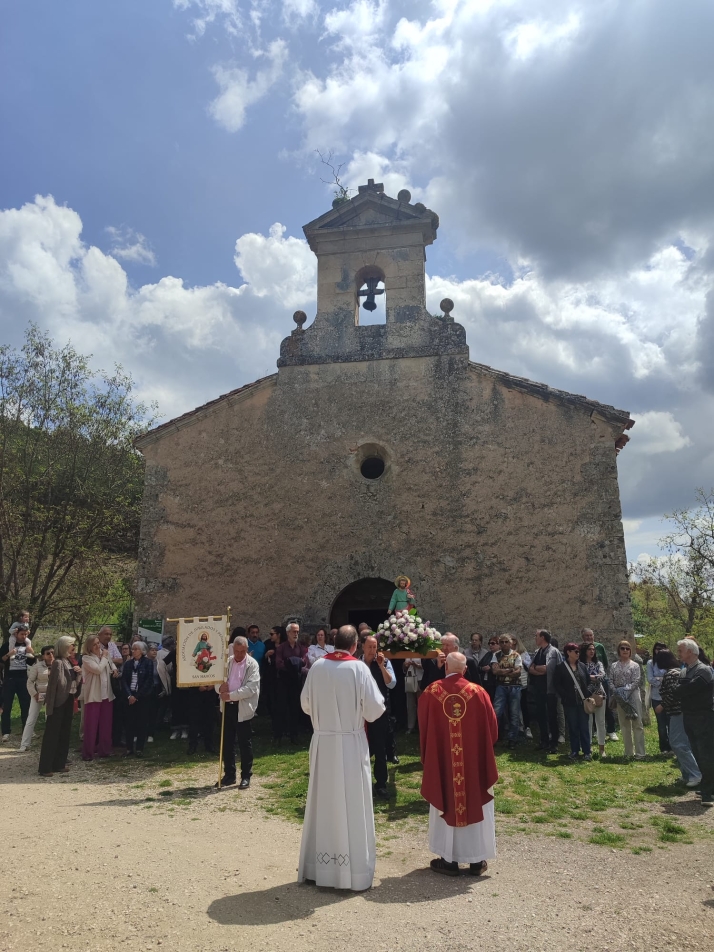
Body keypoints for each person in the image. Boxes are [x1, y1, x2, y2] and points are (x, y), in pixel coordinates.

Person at [298, 625, 386, 890]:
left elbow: (305, 705)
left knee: (324, 800)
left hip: (324, 743)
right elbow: (375, 710)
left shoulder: (316, 667)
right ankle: (353, 871)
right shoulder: (359, 669)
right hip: (349, 743)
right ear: (355, 645)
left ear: (334, 641)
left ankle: (319, 868)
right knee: (351, 801)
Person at [419, 652, 498, 876]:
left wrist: (433, 754)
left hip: (444, 762)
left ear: (446, 668)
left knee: (446, 795)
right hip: (474, 764)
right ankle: (476, 861)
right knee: (475, 798)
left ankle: (449, 860)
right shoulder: (479, 692)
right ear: (465, 670)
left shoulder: (431, 692)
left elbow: (423, 729)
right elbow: (492, 730)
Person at [673, 638, 714, 804]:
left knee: (706, 754)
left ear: (690, 652)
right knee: (697, 753)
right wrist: (684, 689)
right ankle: (709, 787)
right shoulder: (684, 671)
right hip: (688, 716)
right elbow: (677, 691)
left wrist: (683, 689)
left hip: (703, 716)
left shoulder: (704, 670)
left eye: (680, 650)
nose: (678, 653)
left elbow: (689, 688)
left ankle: (707, 793)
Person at [216, 636, 260, 789]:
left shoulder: (252, 665)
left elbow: (250, 688)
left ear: (247, 649)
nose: (239, 654)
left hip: (242, 707)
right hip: (226, 706)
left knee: (244, 743)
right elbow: (217, 681)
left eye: (243, 651)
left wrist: (231, 695)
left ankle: (246, 775)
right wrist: (219, 689)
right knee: (226, 742)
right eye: (237, 651)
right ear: (233, 649)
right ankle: (229, 774)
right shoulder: (227, 662)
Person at [655, 649, 701, 789]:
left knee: (677, 744)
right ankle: (686, 774)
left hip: (677, 712)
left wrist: (661, 706)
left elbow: (674, 693)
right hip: (682, 712)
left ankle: (695, 774)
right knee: (684, 744)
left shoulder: (671, 674)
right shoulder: (677, 671)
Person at [38, 636, 80, 777]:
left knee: (64, 732)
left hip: (69, 699)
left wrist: (79, 674)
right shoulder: (58, 663)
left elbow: (73, 682)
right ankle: (45, 767)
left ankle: (59, 764)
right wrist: (50, 706)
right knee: (52, 734)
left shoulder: (69, 661)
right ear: (64, 646)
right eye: (71, 644)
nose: (73, 647)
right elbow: (53, 686)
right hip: (58, 702)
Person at [361, 635, 397, 797]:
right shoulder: (356, 663)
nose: (372, 650)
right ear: (362, 647)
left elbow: (392, 683)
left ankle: (381, 784)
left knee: (380, 750)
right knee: (361, 749)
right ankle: (361, 782)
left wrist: (382, 666)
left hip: (379, 713)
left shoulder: (385, 662)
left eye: (374, 647)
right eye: (369, 647)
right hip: (359, 714)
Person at [81, 633, 116, 761]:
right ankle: (88, 753)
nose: (97, 646)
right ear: (89, 647)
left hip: (106, 694)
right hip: (93, 695)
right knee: (91, 725)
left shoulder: (104, 655)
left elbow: (110, 664)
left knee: (106, 724)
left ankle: (105, 750)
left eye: (98, 643)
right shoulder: (86, 658)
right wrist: (105, 658)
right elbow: (98, 669)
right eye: (94, 644)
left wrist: (114, 669)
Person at [554, 643, 592, 760]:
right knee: (573, 726)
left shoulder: (582, 666)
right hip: (569, 703)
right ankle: (575, 750)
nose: (578, 653)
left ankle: (587, 751)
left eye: (578, 651)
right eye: (575, 651)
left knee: (584, 727)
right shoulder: (560, 667)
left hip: (582, 701)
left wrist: (588, 693)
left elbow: (589, 682)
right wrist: (565, 696)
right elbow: (557, 685)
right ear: (568, 652)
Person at [610, 640, 646, 759]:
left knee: (637, 723)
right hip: (620, 698)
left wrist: (625, 691)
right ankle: (628, 752)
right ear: (619, 650)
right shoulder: (614, 665)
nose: (625, 650)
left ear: (630, 651)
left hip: (633, 695)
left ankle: (640, 753)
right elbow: (610, 681)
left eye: (627, 648)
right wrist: (617, 692)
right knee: (624, 724)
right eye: (622, 648)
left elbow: (636, 681)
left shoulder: (635, 665)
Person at [1, 615, 34, 740]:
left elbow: (32, 662)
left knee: (25, 705)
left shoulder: (26, 645)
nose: (24, 637)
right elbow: (1, 660)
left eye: (26, 634)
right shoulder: (7, 645)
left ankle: (26, 730)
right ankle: (6, 732)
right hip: (9, 679)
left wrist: (31, 652)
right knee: (7, 705)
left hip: (22, 678)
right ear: (16, 634)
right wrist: (9, 654)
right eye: (22, 634)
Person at [581, 627, 618, 740]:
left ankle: (611, 730)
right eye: (587, 636)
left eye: (591, 635)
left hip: (602, 684)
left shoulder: (599, 647)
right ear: (583, 637)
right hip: (587, 688)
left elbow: (604, 667)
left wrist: (593, 677)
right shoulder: (580, 650)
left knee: (606, 706)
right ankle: (594, 731)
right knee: (590, 707)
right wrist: (591, 678)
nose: (589, 637)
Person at [528, 629, 561, 753]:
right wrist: (538, 669)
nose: (535, 638)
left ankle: (554, 743)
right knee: (540, 715)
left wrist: (536, 668)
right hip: (538, 689)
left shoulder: (553, 652)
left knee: (552, 716)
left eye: (536, 636)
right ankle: (544, 741)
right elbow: (530, 668)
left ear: (543, 637)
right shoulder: (538, 652)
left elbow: (548, 669)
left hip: (550, 690)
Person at [274, 622, 307, 744]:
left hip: (295, 681)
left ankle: (294, 735)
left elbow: (304, 662)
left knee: (294, 708)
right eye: (294, 631)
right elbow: (278, 664)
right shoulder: (281, 648)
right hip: (283, 680)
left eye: (297, 631)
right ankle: (278, 736)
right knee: (281, 708)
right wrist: (294, 663)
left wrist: (290, 662)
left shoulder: (300, 647)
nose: (296, 634)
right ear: (288, 632)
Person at [121, 641, 153, 757]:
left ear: (142, 651)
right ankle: (129, 748)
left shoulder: (148, 663)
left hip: (142, 697)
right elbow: (124, 680)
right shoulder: (128, 664)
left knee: (142, 723)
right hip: (130, 696)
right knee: (129, 723)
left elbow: (149, 681)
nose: (133, 651)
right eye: (132, 649)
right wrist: (129, 695)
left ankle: (139, 748)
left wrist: (137, 696)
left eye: (136, 649)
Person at [489, 635, 522, 748]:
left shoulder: (516, 655)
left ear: (511, 642)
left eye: (506, 642)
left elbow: (518, 672)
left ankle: (513, 739)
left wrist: (502, 671)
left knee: (514, 714)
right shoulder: (496, 655)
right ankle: (494, 737)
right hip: (501, 686)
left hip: (514, 687)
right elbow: (494, 671)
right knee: (496, 712)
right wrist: (510, 670)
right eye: (501, 642)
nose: (504, 644)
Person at [20, 645, 54, 751]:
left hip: (52, 696)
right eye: (48, 653)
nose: (51, 655)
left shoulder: (58, 665)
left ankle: (50, 745)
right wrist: (34, 694)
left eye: (53, 652)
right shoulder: (37, 666)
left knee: (50, 720)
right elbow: (30, 682)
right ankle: (24, 744)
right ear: (43, 656)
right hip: (38, 695)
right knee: (31, 719)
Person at [580, 642, 607, 759]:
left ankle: (602, 749)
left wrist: (589, 677)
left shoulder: (598, 663)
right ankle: (588, 747)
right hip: (586, 695)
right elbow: (581, 678)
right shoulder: (580, 664)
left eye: (593, 649)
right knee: (588, 722)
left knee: (600, 722)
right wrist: (593, 677)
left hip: (599, 694)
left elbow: (602, 676)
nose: (592, 651)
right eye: (589, 649)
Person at [646, 643, 671, 753]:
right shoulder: (651, 663)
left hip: (670, 697)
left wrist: (659, 679)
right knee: (661, 724)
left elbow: (672, 678)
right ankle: (664, 747)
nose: (659, 651)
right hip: (657, 697)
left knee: (671, 723)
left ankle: (672, 746)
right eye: (657, 649)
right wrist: (663, 680)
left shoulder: (669, 663)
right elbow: (650, 679)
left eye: (661, 649)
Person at [403, 656, 424, 732]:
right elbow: (404, 667)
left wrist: (417, 665)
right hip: (410, 679)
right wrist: (406, 665)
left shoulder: (422, 651)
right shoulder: (407, 652)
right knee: (410, 704)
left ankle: (421, 726)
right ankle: (410, 726)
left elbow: (427, 666)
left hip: (420, 679)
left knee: (421, 703)